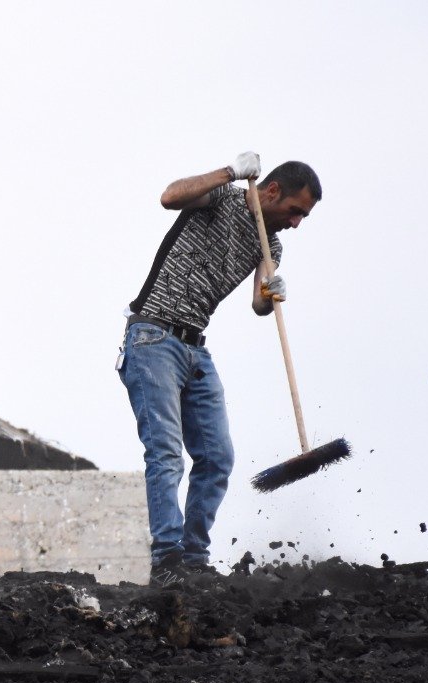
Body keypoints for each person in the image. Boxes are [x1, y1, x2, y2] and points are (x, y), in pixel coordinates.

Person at [119, 153, 321, 587]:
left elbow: (259, 304)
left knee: (218, 457)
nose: (296, 222)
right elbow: (170, 196)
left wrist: (272, 291)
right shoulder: (221, 199)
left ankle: (194, 558)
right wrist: (230, 172)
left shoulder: (273, 244)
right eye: (294, 211)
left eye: (303, 216)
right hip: (153, 337)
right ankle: (167, 560)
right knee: (167, 452)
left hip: (195, 349)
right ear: (271, 191)